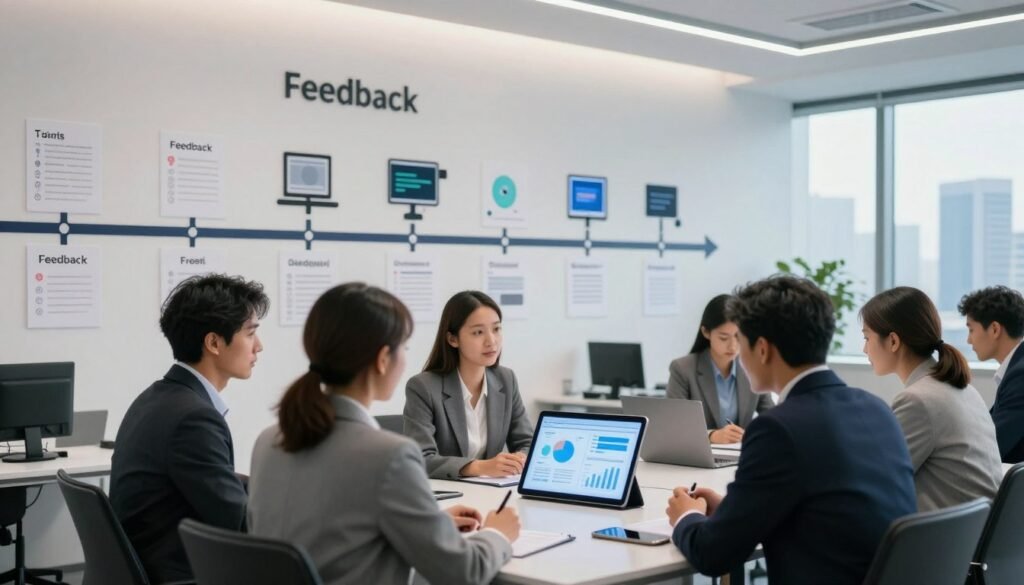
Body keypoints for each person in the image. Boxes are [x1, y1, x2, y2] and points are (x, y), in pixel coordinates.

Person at [247, 283, 519, 585]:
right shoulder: (389, 456)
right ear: (382, 359)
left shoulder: (268, 440)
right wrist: (497, 533)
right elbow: (464, 572)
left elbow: (337, 529)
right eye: (403, 346)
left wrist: (433, 523)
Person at [665, 276, 916, 585]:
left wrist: (685, 516)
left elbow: (712, 555)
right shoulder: (876, 409)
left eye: (740, 342)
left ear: (762, 349)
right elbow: (822, 509)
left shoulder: (777, 430)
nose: (736, 354)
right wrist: (733, 509)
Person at [110, 274, 268, 582]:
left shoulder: (158, 397)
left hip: (150, 561)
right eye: (251, 334)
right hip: (180, 572)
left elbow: (207, 476)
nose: (259, 347)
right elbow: (237, 523)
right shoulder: (193, 419)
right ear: (213, 343)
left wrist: (268, 485)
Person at [861, 287, 1001, 511]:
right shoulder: (962, 388)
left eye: (867, 338)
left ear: (893, 341)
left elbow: (877, 481)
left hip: (946, 541)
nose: (864, 348)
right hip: (974, 535)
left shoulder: (918, 400)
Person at [404, 291, 534, 479]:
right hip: (446, 497)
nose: (491, 341)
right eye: (478, 332)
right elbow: (421, 459)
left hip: (492, 492)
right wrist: (480, 467)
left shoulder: (506, 379)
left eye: (496, 329)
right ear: (452, 339)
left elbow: (528, 442)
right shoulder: (423, 387)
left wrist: (518, 460)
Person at [667, 294, 773, 444]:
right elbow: (674, 426)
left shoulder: (753, 366)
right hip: (699, 459)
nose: (733, 346)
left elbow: (771, 416)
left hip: (741, 456)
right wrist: (712, 436)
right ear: (706, 332)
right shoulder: (682, 369)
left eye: (738, 337)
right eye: (724, 338)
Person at [959, 285, 1024, 463]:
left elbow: (992, 445)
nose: (968, 339)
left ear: (995, 329)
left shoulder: (1019, 375)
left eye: (971, 329)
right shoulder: (1016, 368)